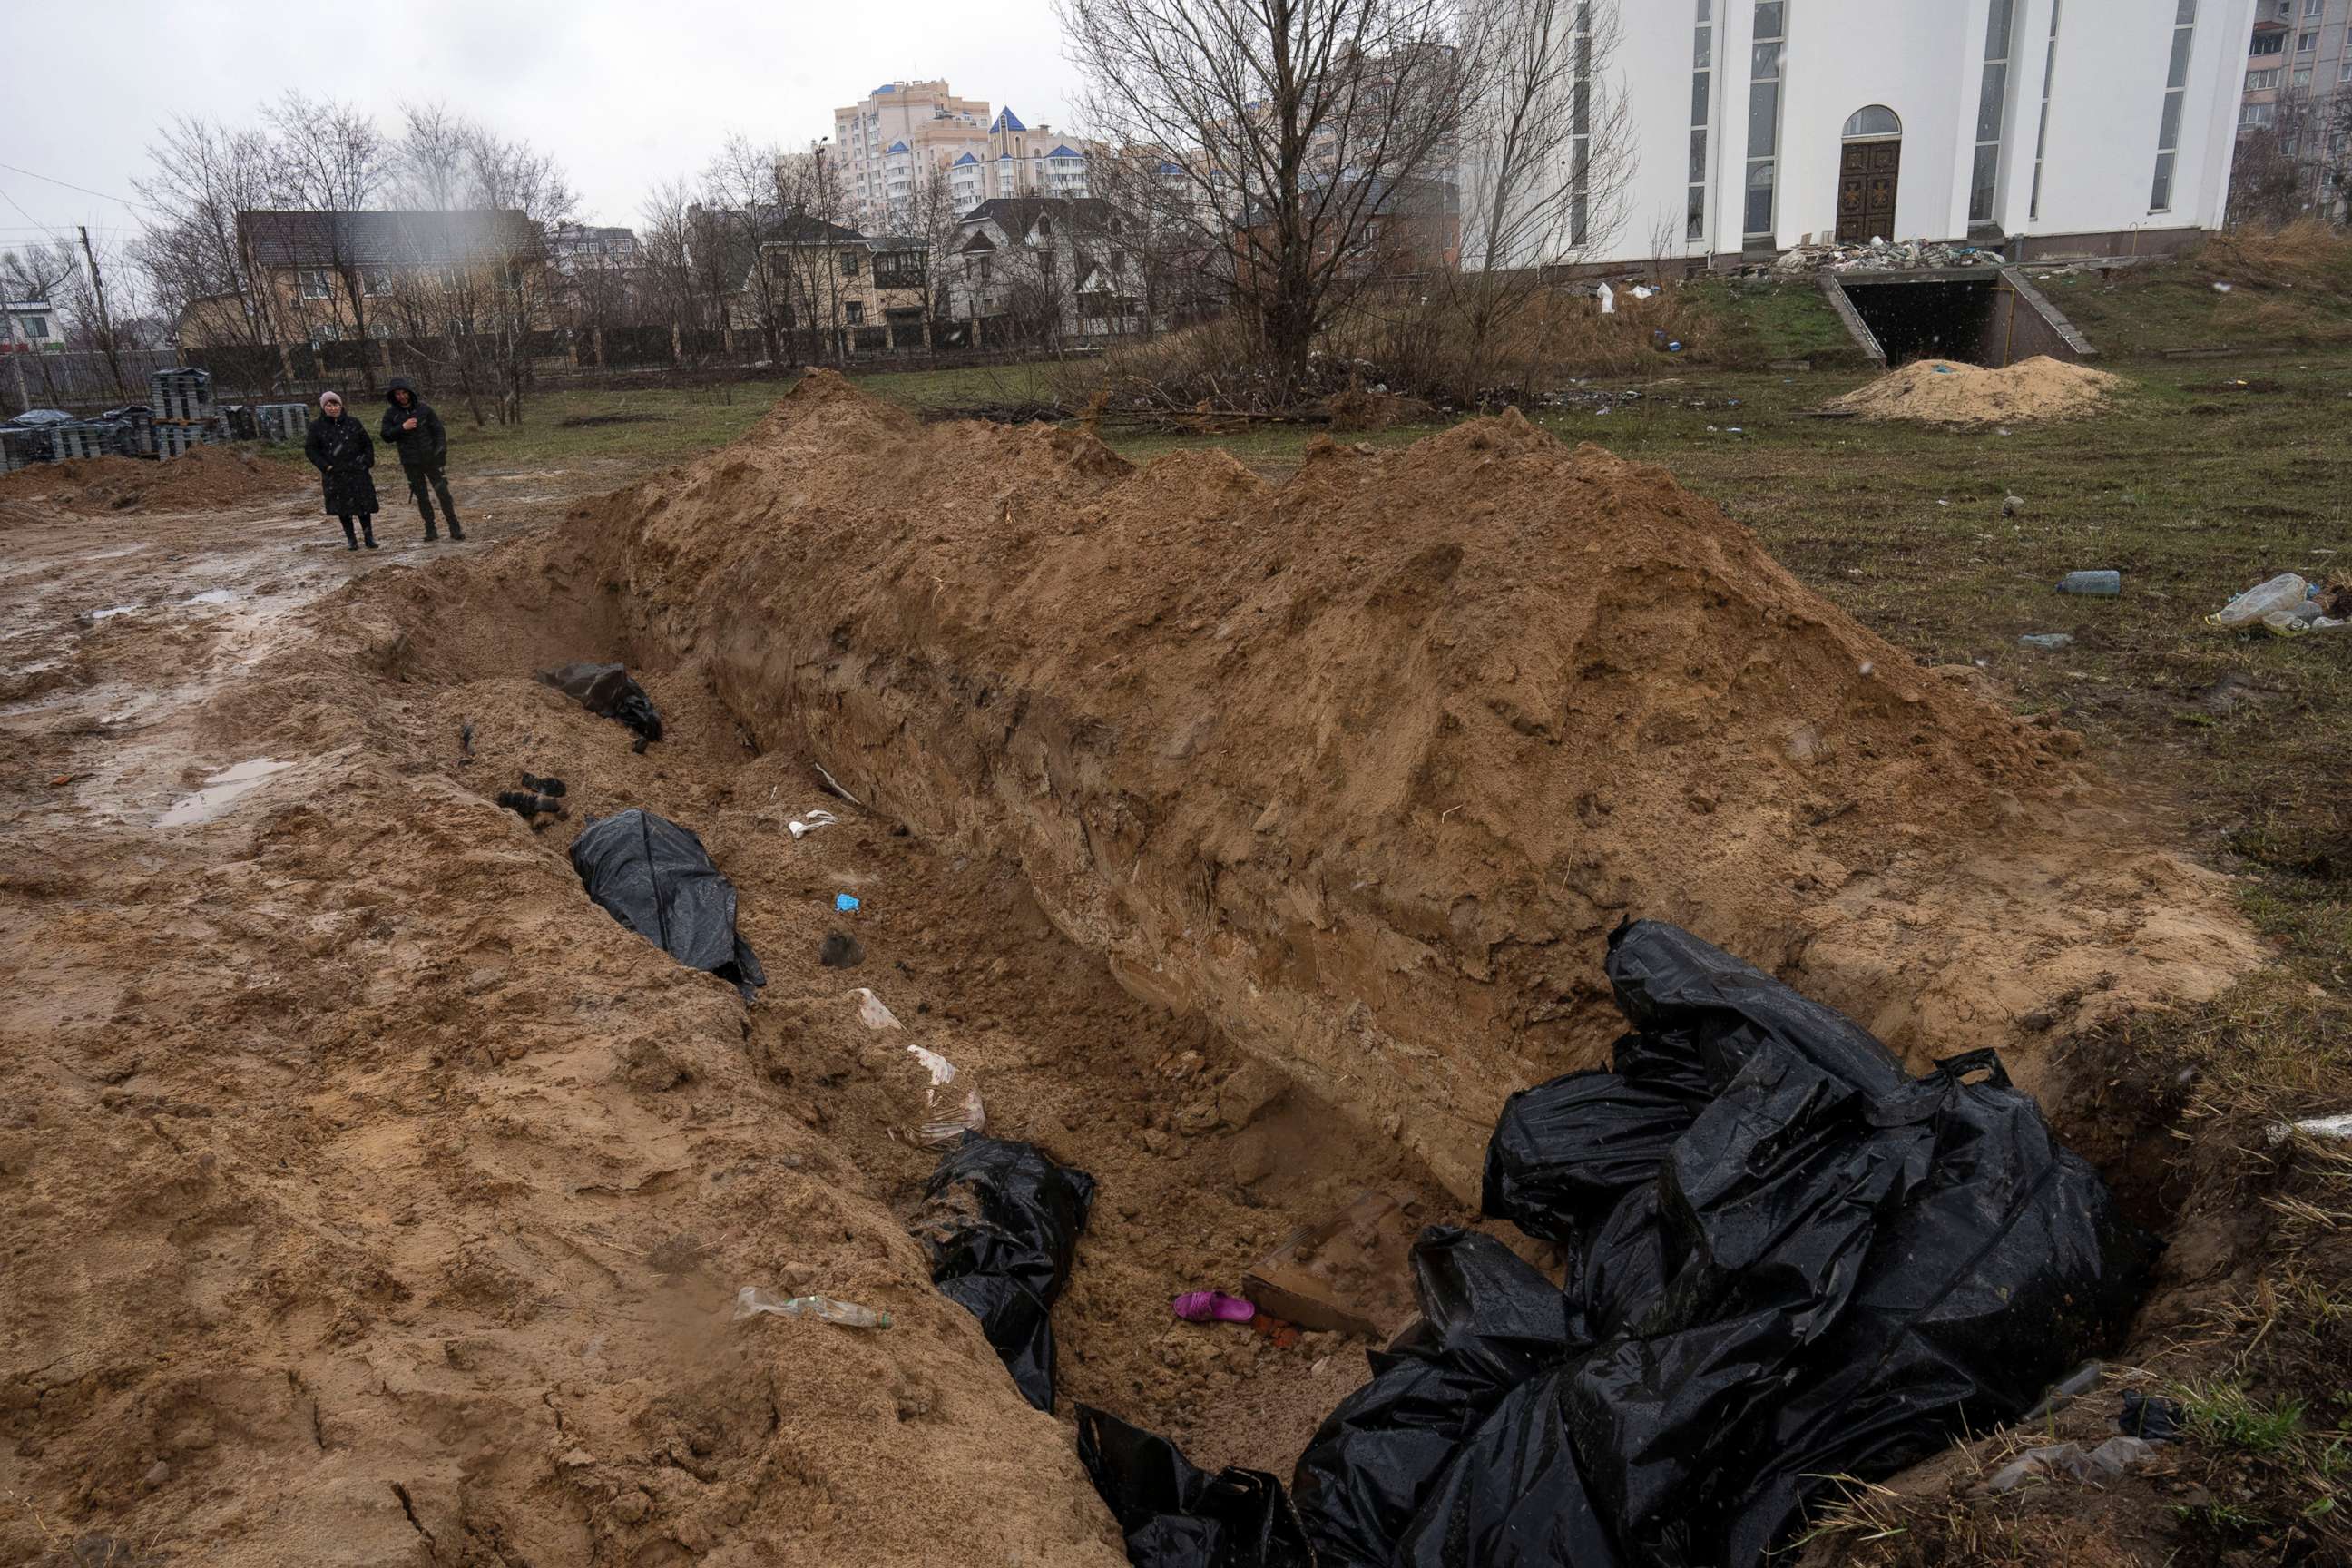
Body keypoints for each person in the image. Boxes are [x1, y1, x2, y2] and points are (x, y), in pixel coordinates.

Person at [379, 376, 465, 542]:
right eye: (397, 394)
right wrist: (402, 428)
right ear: (393, 396)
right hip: (410, 462)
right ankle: (430, 529)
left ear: (409, 392)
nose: (402, 397)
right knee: (422, 497)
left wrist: (440, 452)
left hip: (431, 460)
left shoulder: (424, 409)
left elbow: (439, 431)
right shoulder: (391, 414)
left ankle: (455, 527)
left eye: (404, 392)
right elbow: (386, 435)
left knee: (444, 494)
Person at [304, 391, 378, 551]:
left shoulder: (353, 423)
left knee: (363, 505)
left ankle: (369, 537)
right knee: (342, 507)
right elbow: (311, 450)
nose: (332, 408)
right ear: (323, 407)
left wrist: (366, 462)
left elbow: (367, 444)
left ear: (341, 405)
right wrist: (326, 467)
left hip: (357, 471)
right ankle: (351, 539)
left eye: (335, 404)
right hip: (335, 474)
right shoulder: (317, 427)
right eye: (329, 405)